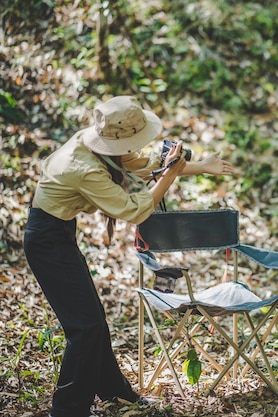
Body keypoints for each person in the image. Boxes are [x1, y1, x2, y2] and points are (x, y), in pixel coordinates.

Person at [23, 96, 234, 417]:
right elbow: (135, 210)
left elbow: (141, 164)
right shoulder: (82, 167)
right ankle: (67, 410)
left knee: (93, 320)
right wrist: (170, 175)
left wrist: (199, 167)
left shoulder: (94, 146)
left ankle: (112, 390)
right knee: (85, 328)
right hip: (46, 241)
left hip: (59, 233)